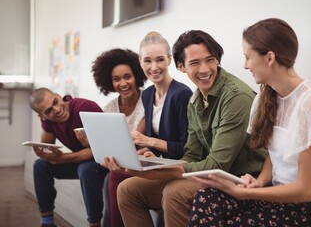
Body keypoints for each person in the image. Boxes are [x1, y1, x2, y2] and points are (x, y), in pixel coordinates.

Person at [188, 18, 311, 227]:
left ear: (270, 58)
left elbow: (305, 190)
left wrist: (246, 194)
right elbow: (275, 156)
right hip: (277, 194)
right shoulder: (266, 97)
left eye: (248, 57)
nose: (245, 65)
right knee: (206, 198)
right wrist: (260, 181)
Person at [113, 30, 267, 227]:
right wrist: (154, 165)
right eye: (194, 63)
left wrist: (159, 172)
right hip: (210, 175)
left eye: (209, 60)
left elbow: (217, 165)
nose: (204, 69)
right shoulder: (195, 101)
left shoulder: (236, 97)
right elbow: (191, 155)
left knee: (175, 192)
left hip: (239, 179)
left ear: (218, 60)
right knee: (128, 190)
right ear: (181, 67)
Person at [102, 32, 193, 226]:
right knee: (118, 176)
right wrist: (147, 151)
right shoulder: (148, 94)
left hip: (181, 169)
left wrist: (148, 142)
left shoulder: (182, 94)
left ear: (169, 59)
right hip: (162, 164)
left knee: (119, 179)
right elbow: (154, 143)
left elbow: (187, 148)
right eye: (148, 61)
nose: (154, 67)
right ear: (140, 62)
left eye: (160, 60)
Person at [29, 88, 108, 227]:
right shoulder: (48, 122)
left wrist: (61, 158)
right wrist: (44, 153)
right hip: (79, 162)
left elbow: (99, 150)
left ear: (59, 96)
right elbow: (48, 148)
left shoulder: (86, 107)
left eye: (55, 102)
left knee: (86, 169)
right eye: (48, 111)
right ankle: (47, 222)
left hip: (102, 161)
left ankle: (94, 223)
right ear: (42, 116)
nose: (57, 109)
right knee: (40, 165)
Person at [91, 48, 147, 227]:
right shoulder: (109, 108)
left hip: (141, 159)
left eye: (127, 76)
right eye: (116, 79)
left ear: (136, 75)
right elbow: (105, 142)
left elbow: (136, 142)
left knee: (110, 179)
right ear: (109, 82)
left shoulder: (147, 100)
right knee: (88, 171)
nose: (123, 83)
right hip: (115, 162)